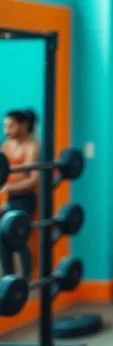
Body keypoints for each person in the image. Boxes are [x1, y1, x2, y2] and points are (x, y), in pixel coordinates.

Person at [1, 109, 40, 277]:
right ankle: (9, 279)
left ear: (24, 125)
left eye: (11, 126)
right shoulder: (6, 146)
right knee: (2, 236)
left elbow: (33, 180)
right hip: (10, 199)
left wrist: (10, 188)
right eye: (5, 126)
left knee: (18, 238)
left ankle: (27, 280)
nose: (7, 131)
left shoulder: (32, 146)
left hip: (26, 199)